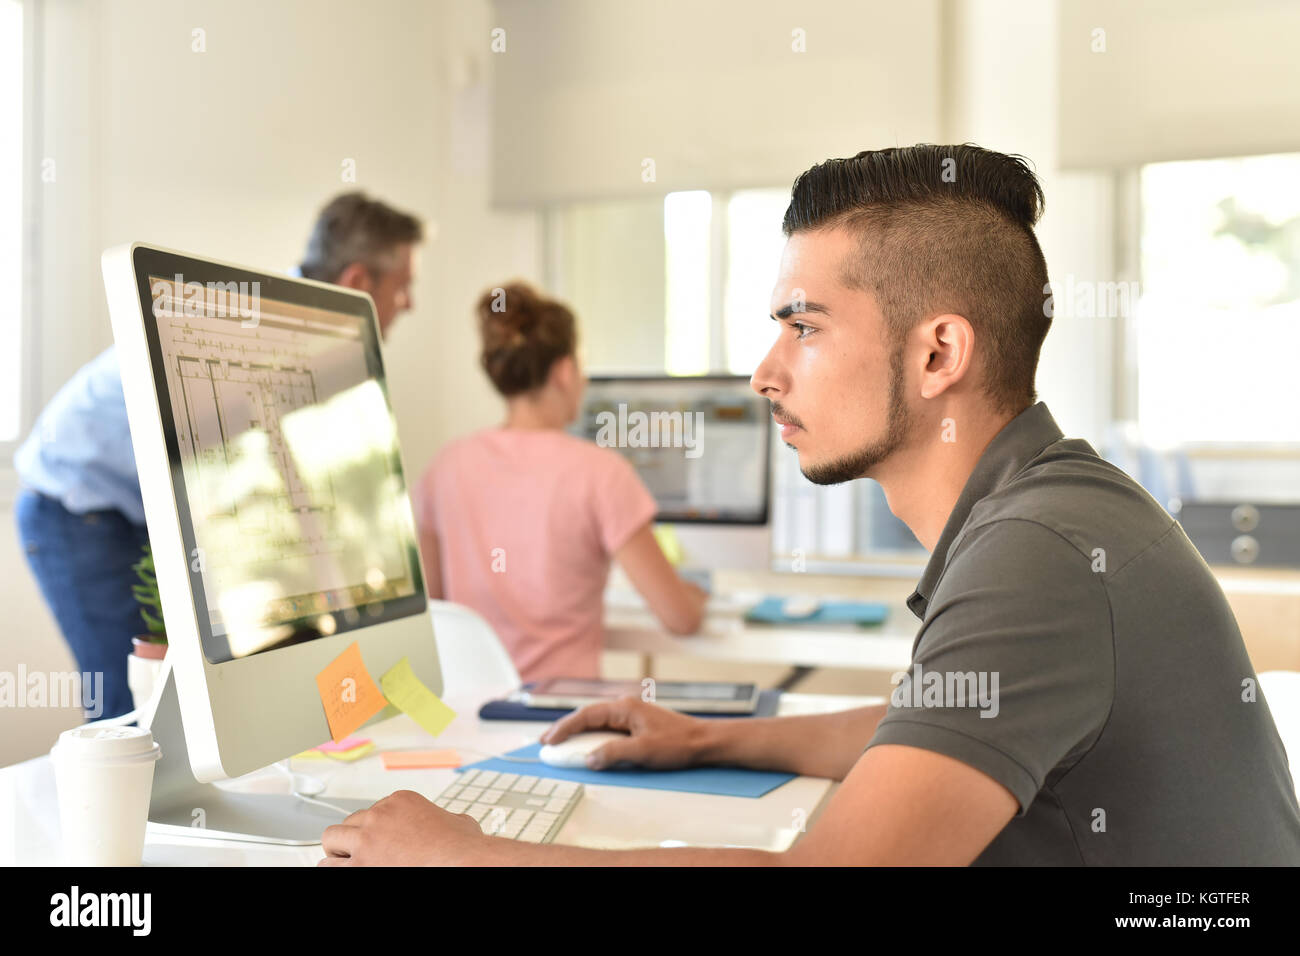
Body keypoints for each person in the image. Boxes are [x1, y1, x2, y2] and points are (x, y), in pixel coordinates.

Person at [322, 145, 1300, 866]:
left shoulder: (1036, 553)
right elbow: (932, 716)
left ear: (937, 354)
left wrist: (459, 853)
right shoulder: (1048, 509)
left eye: (804, 327)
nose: (763, 372)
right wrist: (710, 738)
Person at [14, 192, 424, 719]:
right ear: (359, 282)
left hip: (131, 502)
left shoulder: (302, 330)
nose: (409, 302)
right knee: (128, 698)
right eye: (404, 285)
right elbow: (265, 466)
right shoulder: (260, 326)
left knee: (177, 696)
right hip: (76, 505)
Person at [412, 281, 706, 682]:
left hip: (468, 715)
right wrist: (696, 596)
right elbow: (680, 618)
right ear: (565, 372)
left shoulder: (446, 466)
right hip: (560, 719)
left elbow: (435, 605)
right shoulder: (601, 473)